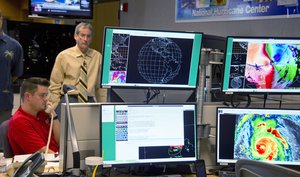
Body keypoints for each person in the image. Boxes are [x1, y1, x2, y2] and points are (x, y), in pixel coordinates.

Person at [48, 22, 105, 117]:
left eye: (88, 36)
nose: (85, 39)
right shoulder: (64, 56)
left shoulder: (98, 57)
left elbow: (101, 87)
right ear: (76, 36)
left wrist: (104, 106)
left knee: (88, 131)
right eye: (82, 35)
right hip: (69, 99)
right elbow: (55, 84)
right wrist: (54, 105)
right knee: (66, 131)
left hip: (89, 100)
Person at [8, 77, 60, 155]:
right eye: (42, 95)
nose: (46, 99)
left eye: (46, 95)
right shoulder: (19, 122)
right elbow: (44, 154)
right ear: (28, 96)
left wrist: (54, 115)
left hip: (55, 160)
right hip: (43, 164)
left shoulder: (44, 113)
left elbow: (60, 141)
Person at [0, 9, 23, 150]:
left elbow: (16, 73)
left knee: (2, 145)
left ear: (1, 20)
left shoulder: (14, 46)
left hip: (3, 102)